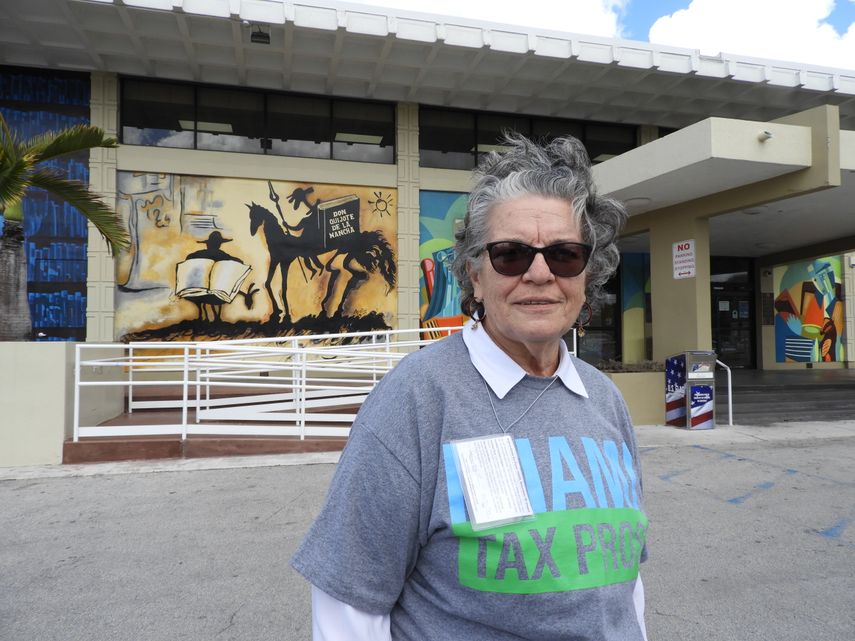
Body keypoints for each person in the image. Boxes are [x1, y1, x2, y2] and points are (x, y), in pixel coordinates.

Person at [291, 133, 648, 640]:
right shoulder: (414, 400)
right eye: (511, 255)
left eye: (565, 255)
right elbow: (349, 607)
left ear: (586, 275)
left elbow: (625, 588)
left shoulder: (604, 399)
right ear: (476, 276)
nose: (541, 274)